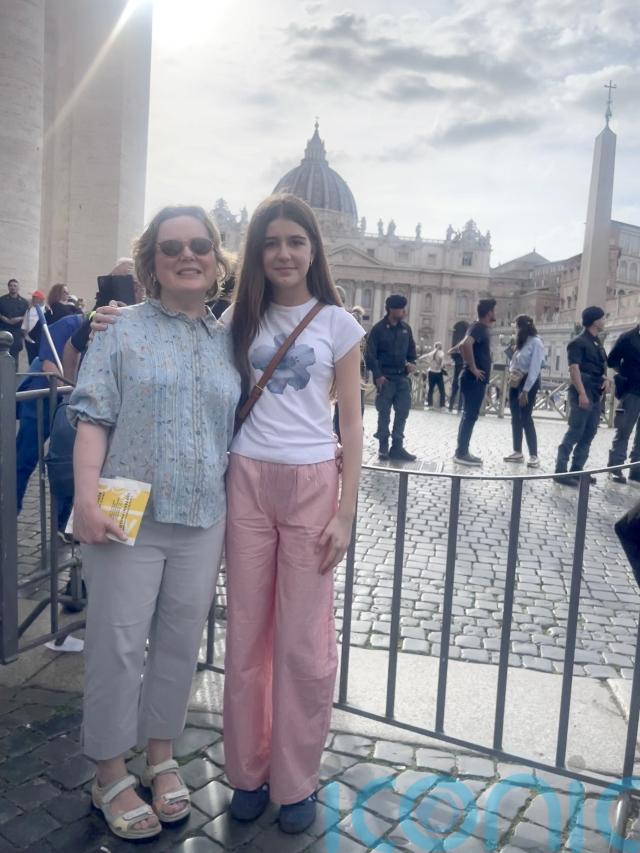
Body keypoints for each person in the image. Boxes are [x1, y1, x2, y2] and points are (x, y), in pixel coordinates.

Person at [68, 205, 240, 841]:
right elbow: (94, 417)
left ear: (216, 258)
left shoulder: (229, 340)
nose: (186, 255)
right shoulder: (120, 329)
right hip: (126, 514)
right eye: (171, 247)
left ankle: (162, 755)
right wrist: (86, 499)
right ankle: (109, 770)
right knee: (115, 644)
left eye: (199, 245)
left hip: (203, 514)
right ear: (152, 261)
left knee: (178, 643)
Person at [221, 194, 364, 835]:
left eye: (295, 241)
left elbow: (352, 424)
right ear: (257, 252)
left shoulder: (338, 324)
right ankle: (247, 771)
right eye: (271, 242)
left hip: (311, 484)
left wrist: (346, 512)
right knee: (246, 633)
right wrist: (111, 318)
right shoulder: (236, 319)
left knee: (304, 642)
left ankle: (296, 777)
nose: (283, 253)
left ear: (313, 250)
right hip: (246, 479)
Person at [15, 311, 84, 532]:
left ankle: (62, 525)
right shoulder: (72, 324)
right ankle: (8, 511)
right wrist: (69, 392)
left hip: (72, 406)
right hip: (41, 402)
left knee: (67, 463)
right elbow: (49, 365)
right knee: (23, 459)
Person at [554, 306, 608, 487]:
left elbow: (597, 367)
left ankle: (577, 470)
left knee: (589, 433)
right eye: (602, 318)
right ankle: (560, 470)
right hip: (583, 392)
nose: (604, 321)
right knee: (575, 431)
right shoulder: (578, 342)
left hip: (595, 392)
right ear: (594, 321)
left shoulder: (596, 342)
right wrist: (582, 394)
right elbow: (574, 369)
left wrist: (605, 379)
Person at [366, 294, 417, 461]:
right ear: (392, 309)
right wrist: (378, 375)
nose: (404, 311)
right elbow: (370, 355)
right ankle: (383, 447)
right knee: (384, 414)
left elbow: (412, 352)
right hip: (385, 379)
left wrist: (411, 363)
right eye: (401, 309)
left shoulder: (406, 329)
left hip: (402, 378)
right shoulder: (378, 329)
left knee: (402, 413)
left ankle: (397, 447)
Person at [453, 298, 497, 465]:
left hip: (471, 378)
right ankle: (462, 453)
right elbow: (465, 344)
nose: (495, 313)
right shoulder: (479, 328)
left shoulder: (475, 327)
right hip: (473, 379)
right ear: (489, 312)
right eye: (494, 310)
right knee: (470, 416)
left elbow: (460, 346)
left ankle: (461, 451)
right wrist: (472, 367)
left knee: (469, 415)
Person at [503, 315, 545, 468]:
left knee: (526, 417)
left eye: (516, 327)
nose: (515, 330)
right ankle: (517, 451)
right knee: (515, 416)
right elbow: (515, 362)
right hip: (515, 380)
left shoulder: (536, 343)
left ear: (521, 327)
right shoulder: (521, 342)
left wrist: (525, 390)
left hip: (528, 383)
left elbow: (535, 368)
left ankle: (534, 455)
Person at [606, 323, 640, 484]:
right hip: (631, 391)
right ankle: (615, 467)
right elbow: (611, 360)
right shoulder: (627, 337)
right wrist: (626, 373)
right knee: (624, 431)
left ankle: (636, 470)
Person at [333, 304, 367, 440]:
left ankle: (341, 433)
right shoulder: (353, 337)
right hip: (356, 376)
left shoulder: (359, 338)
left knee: (346, 407)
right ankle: (341, 433)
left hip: (358, 376)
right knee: (349, 406)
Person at [0, 278, 29, 363]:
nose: (13, 287)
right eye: (11, 286)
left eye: (15, 286)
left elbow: (28, 316)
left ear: (18, 288)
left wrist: (19, 318)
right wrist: (2, 317)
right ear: (8, 287)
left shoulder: (24, 302)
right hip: (3, 330)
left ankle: (14, 371)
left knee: (14, 358)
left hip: (17, 332)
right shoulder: (1, 300)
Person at [21, 290, 47, 364]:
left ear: (41, 299)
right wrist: (26, 337)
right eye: (33, 297)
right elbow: (24, 325)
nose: (32, 299)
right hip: (30, 340)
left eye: (35, 297)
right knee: (32, 361)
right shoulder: (29, 310)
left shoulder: (46, 310)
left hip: (42, 340)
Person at [426, 341, 446, 409]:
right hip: (438, 373)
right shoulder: (441, 352)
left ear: (434, 346)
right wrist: (441, 365)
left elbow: (426, 359)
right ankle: (442, 406)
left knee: (430, 390)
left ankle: (430, 405)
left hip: (431, 372)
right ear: (440, 347)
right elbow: (442, 360)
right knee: (442, 390)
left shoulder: (431, 353)